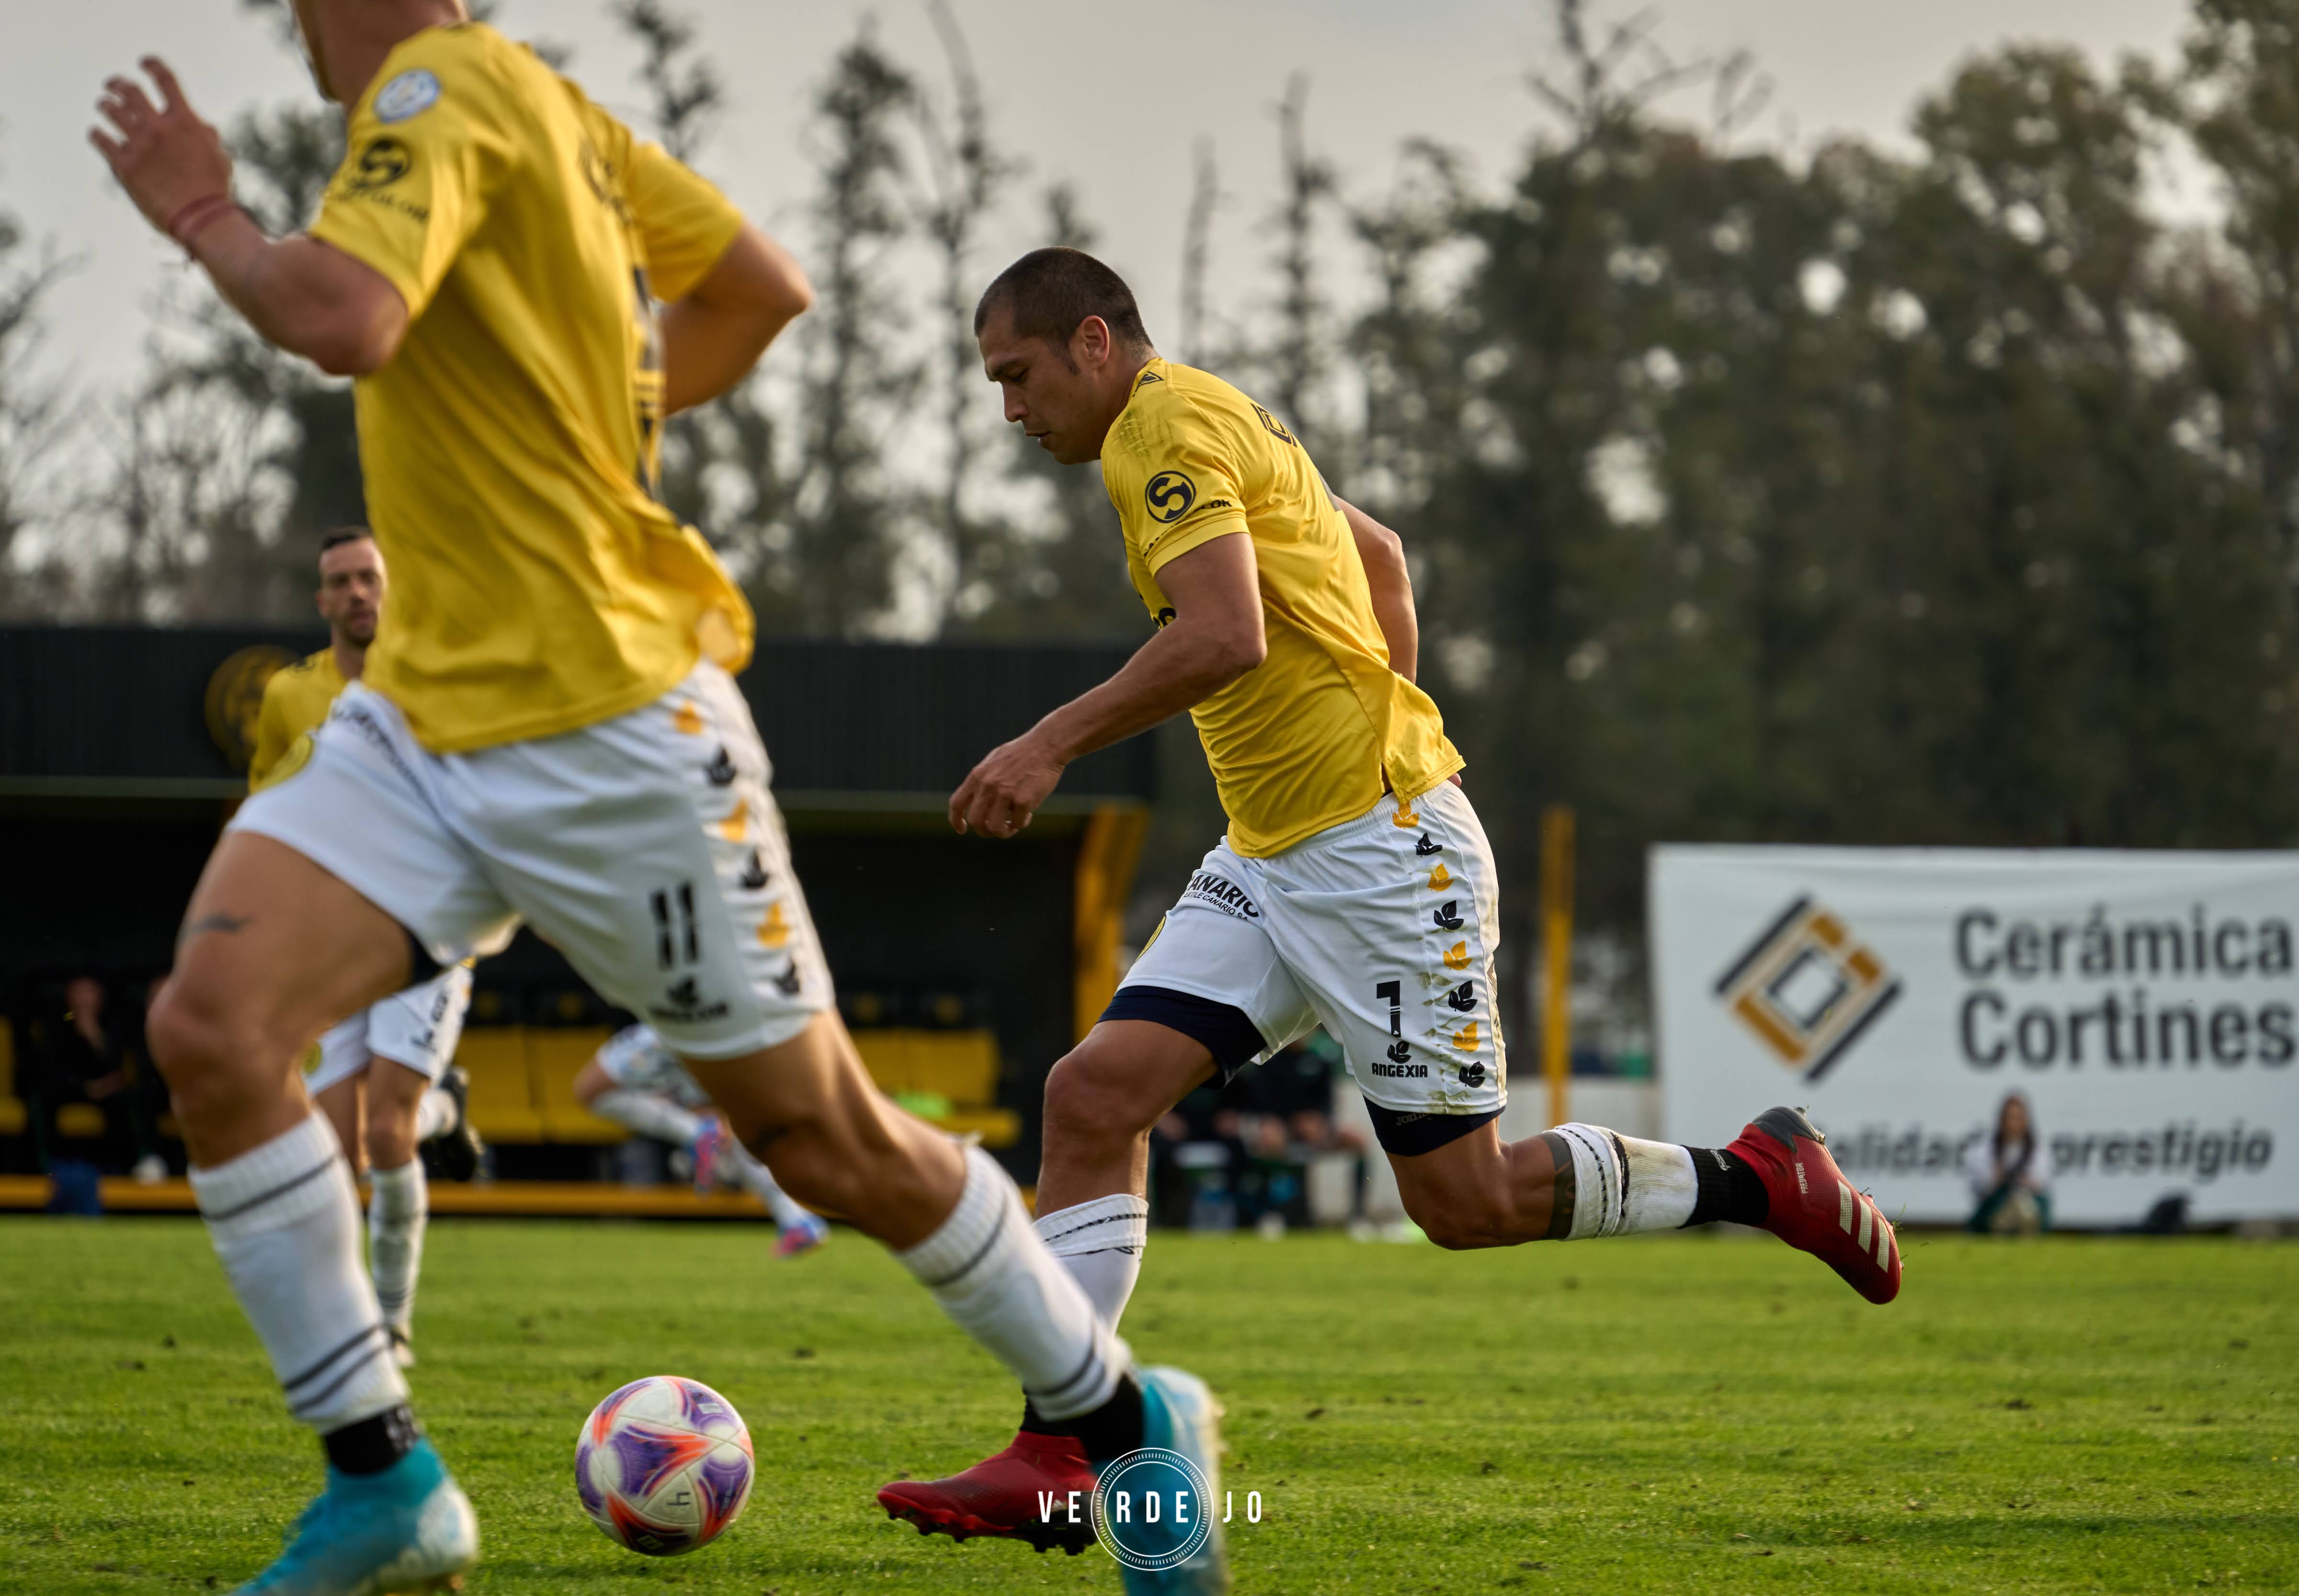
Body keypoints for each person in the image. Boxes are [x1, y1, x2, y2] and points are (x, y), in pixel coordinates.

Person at [92, 10, 1217, 1594]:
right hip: (420, 719)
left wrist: (204, 210)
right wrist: (580, 432)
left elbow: (344, 313)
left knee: (826, 1142)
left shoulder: (435, 89)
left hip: (613, 723)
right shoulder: (550, 106)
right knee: (210, 1028)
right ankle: (384, 1481)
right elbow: (761, 288)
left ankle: (1120, 1420)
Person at [879, 247, 1904, 1549]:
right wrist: (1381, 725)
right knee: (1091, 1095)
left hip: (1375, 864)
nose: (1011, 410)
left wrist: (1049, 743)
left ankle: (1758, 1177)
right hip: (1277, 856)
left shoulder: (1166, 429)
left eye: (1017, 376)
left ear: (1093, 341)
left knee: (1463, 1205)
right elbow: (1380, 554)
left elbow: (1225, 635)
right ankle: (1061, 1446)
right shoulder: (1213, 411)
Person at [252, 526, 487, 1369]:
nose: (358, 592)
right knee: (340, 1152)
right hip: (338, 940)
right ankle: (445, 1109)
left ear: (393, 587)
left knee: (386, 1135)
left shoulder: (434, 680)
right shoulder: (288, 696)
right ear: (322, 601)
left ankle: (389, 1328)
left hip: (431, 928)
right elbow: (272, 815)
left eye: (370, 577)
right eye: (341, 581)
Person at [574, 1023, 830, 1257]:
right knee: (725, 1129)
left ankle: (693, 1132)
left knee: (591, 1091)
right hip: (731, 1034)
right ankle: (796, 1219)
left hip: (684, 1023)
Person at [1966, 1092, 2050, 1234]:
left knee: (2025, 1208)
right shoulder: (1988, 1149)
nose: (2013, 1124)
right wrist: (1997, 1178)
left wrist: (2024, 1181)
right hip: (1998, 1204)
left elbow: (2044, 1183)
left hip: (2028, 1203)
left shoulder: (2037, 1149)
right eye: (2010, 1118)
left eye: (2017, 1118)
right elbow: (1978, 1186)